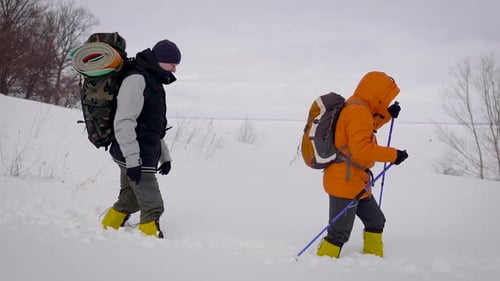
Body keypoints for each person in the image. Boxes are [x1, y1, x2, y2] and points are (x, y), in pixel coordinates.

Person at [316, 71, 408, 258]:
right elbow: (361, 149)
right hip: (344, 181)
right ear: (378, 95)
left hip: (357, 180)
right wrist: (393, 155)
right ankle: (323, 268)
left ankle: (373, 260)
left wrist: (387, 115)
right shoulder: (358, 111)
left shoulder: (358, 107)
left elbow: (367, 127)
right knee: (339, 233)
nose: (386, 101)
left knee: (376, 221)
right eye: (386, 98)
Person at [101, 39, 181, 238]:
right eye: (172, 63)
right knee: (152, 204)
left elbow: (153, 127)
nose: (174, 69)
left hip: (139, 153)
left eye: (176, 65)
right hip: (134, 154)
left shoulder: (153, 80)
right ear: (159, 60)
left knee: (130, 198)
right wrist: (133, 161)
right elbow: (124, 122)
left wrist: (165, 157)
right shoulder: (137, 79)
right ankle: (150, 240)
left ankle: (109, 226)